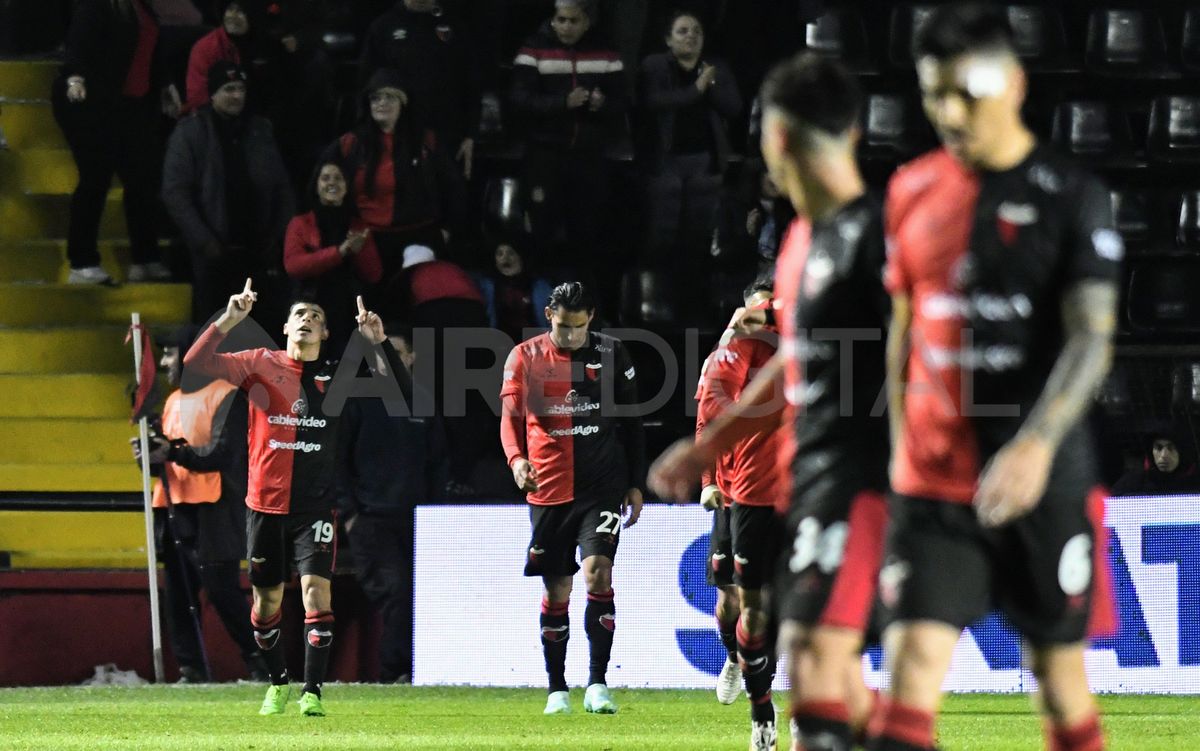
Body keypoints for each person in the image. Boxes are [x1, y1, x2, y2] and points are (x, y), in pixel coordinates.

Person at [869, 5, 1121, 750]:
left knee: (1059, 679)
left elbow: (1091, 338)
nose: (950, 112)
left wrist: (1037, 443)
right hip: (933, 483)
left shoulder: (1071, 195)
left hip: (1044, 478)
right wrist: (896, 448)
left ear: (1012, 84)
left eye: (965, 93)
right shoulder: (910, 190)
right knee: (909, 675)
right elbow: (903, 329)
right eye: (933, 94)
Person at [649, 53, 889, 751]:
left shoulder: (886, 227)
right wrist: (707, 456)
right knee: (786, 621)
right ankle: (767, 714)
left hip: (877, 471)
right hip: (781, 486)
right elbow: (796, 360)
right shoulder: (801, 247)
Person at [184, 280, 406, 716]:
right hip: (264, 506)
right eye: (301, 315)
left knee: (314, 594)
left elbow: (399, 391)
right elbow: (195, 363)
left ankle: (312, 692)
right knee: (266, 603)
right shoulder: (258, 364)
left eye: (317, 318)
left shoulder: (338, 376)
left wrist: (380, 344)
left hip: (314, 508)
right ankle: (278, 682)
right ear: (286, 326)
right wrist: (229, 319)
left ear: (324, 335)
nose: (307, 320)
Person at [499, 281, 645, 716]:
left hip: (601, 486)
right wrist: (516, 461)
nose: (570, 336)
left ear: (591, 319)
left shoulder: (612, 353)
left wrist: (636, 483)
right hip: (548, 489)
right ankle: (556, 688)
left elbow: (633, 422)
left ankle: (598, 683)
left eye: (578, 328)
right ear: (549, 316)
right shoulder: (524, 357)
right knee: (557, 588)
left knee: (597, 574)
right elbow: (510, 418)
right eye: (563, 327)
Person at [133, 324, 266, 683]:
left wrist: (172, 451)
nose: (164, 362)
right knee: (178, 593)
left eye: (170, 353)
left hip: (215, 508)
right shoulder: (172, 401)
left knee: (222, 589)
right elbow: (167, 455)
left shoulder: (230, 397)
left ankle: (259, 661)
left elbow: (221, 453)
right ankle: (191, 668)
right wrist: (149, 454)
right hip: (175, 503)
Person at [693, 280, 783, 727]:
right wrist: (707, 480)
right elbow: (705, 423)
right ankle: (734, 657)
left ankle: (765, 683)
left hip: (773, 488)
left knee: (775, 602)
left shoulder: (792, 353)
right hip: (731, 493)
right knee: (730, 598)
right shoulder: (726, 356)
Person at [339, 327, 448, 683]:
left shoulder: (424, 402)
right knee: (398, 592)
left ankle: (420, 671)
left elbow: (438, 463)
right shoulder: (355, 402)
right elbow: (337, 463)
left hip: (419, 522)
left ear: (411, 358)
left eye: (396, 352)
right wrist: (351, 513)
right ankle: (396, 673)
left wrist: (436, 515)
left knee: (422, 597)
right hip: (371, 521)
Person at [53, 0, 178, 285]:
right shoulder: (97, 6)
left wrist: (166, 84)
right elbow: (79, 45)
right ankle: (82, 261)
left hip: (129, 106)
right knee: (95, 177)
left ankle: (145, 257)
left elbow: (151, 51)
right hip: (89, 102)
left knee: (142, 179)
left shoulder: (141, 7)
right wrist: (75, 78)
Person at [162, 62, 295, 325]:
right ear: (212, 93)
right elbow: (175, 192)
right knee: (213, 335)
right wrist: (204, 242)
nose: (236, 95)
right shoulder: (191, 131)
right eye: (228, 89)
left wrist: (278, 237)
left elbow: (281, 187)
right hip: (214, 255)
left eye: (240, 89)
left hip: (258, 252)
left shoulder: (260, 129)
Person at [509, 0, 629, 279]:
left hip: (589, 157)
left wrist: (603, 104)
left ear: (587, 22)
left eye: (573, 21)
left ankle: (581, 305)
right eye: (560, 20)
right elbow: (518, 100)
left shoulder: (606, 53)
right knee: (541, 232)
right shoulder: (533, 49)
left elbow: (623, 102)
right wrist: (563, 102)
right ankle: (538, 301)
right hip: (544, 155)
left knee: (586, 235)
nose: (566, 26)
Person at [639, 10, 741, 305]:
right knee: (661, 234)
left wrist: (709, 86)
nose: (691, 36)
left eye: (697, 31)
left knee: (699, 236)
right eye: (682, 31)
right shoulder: (655, 66)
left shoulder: (714, 68)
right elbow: (654, 102)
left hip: (704, 162)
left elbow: (733, 108)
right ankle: (654, 300)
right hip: (665, 163)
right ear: (668, 40)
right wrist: (696, 89)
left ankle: (693, 302)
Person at [328, 68, 466, 281]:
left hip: (420, 234)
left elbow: (453, 186)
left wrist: (448, 229)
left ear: (403, 102)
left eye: (390, 97)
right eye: (376, 98)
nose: (382, 103)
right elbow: (323, 186)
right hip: (368, 237)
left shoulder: (426, 141)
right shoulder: (350, 144)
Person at [358, 0, 481, 180]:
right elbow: (365, 86)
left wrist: (471, 134)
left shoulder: (455, 27)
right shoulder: (383, 27)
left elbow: (471, 83)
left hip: (446, 137)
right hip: (397, 137)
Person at [283, 160, 383, 356]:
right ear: (316, 185)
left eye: (339, 178)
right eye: (326, 178)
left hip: (346, 310)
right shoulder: (300, 223)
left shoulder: (358, 226)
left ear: (347, 187)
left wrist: (359, 249)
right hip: (309, 303)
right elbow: (294, 266)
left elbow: (374, 274)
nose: (332, 183)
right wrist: (340, 252)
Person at [473, 231, 554, 345]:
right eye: (500, 254)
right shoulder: (486, 287)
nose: (505, 258)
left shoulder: (541, 287)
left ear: (521, 256)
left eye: (510, 253)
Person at [184, 0, 252, 113]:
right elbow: (197, 97)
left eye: (241, 11)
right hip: (217, 117)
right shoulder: (206, 48)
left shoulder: (263, 46)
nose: (233, 16)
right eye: (230, 9)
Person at [1110, 425, 1200, 496]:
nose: (1164, 455)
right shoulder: (1133, 483)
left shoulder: (1196, 481)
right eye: (1158, 448)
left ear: (1183, 451)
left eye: (1171, 448)